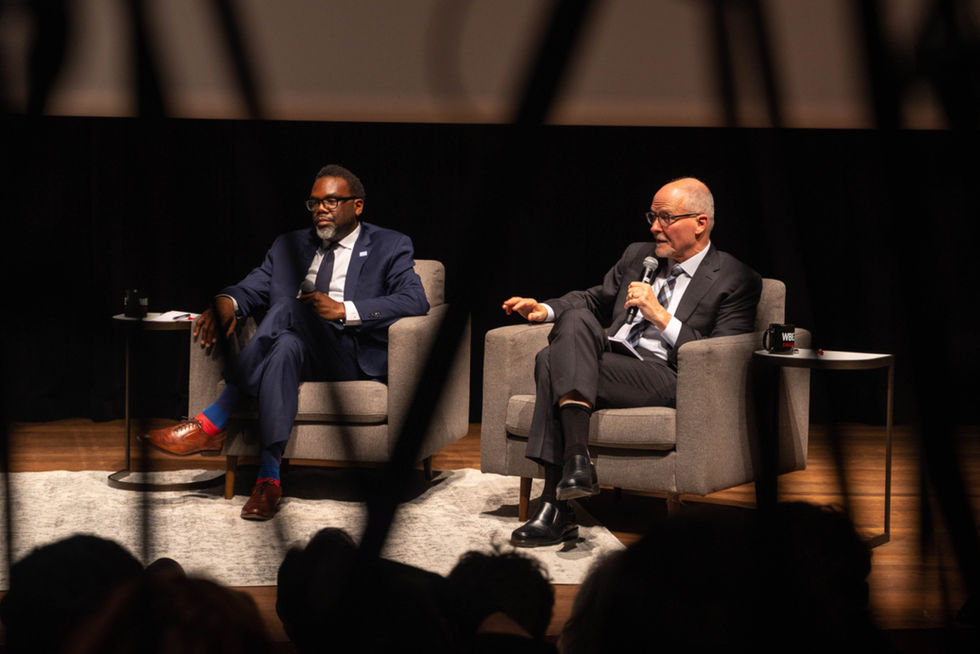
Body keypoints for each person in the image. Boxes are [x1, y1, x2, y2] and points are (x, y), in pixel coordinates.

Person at [145, 164, 429, 520]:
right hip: (296, 346)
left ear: (357, 206)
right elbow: (252, 286)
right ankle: (268, 481)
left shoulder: (390, 244)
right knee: (283, 347)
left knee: (287, 309)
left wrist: (344, 309)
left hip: (349, 354)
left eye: (331, 201)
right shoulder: (289, 245)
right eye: (314, 203)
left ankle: (214, 420)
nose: (321, 209)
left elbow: (415, 300)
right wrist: (226, 302)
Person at [502, 177, 761, 547]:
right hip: (612, 360)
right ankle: (576, 463)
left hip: (666, 374)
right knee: (572, 324)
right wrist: (544, 309)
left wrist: (662, 317)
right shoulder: (639, 256)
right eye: (652, 217)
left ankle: (555, 505)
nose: (655, 227)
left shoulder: (736, 278)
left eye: (666, 218)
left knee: (549, 359)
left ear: (700, 223)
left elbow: (719, 356)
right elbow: (593, 299)